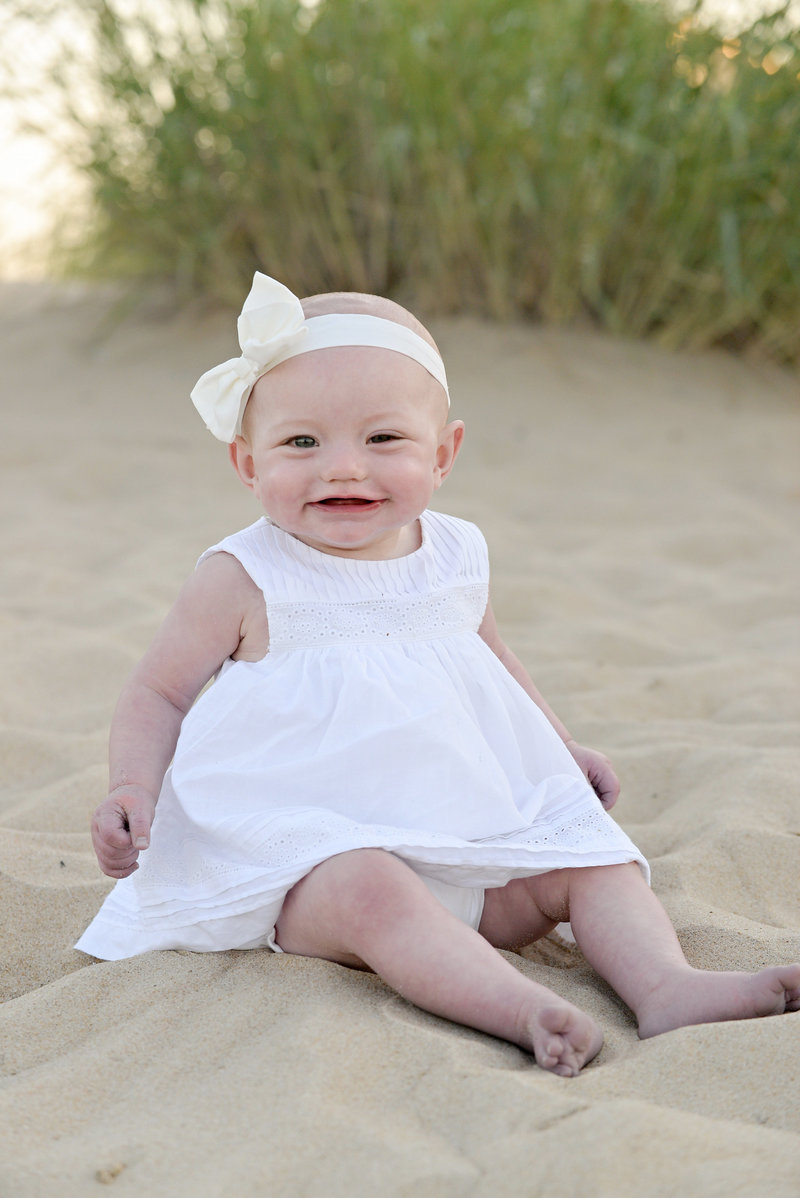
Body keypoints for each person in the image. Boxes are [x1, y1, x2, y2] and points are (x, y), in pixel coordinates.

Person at [77, 273, 800, 1077]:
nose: (343, 469)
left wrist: (560, 747)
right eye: (301, 443)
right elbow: (159, 690)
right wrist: (132, 787)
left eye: (383, 440)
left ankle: (666, 986)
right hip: (309, 854)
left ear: (444, 453)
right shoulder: (244, 576)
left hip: (472, 840)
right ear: (247, 463)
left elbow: (494, 659)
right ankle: (519, 1008)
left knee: (594, 858)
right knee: (368, 887)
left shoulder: (455, 555)